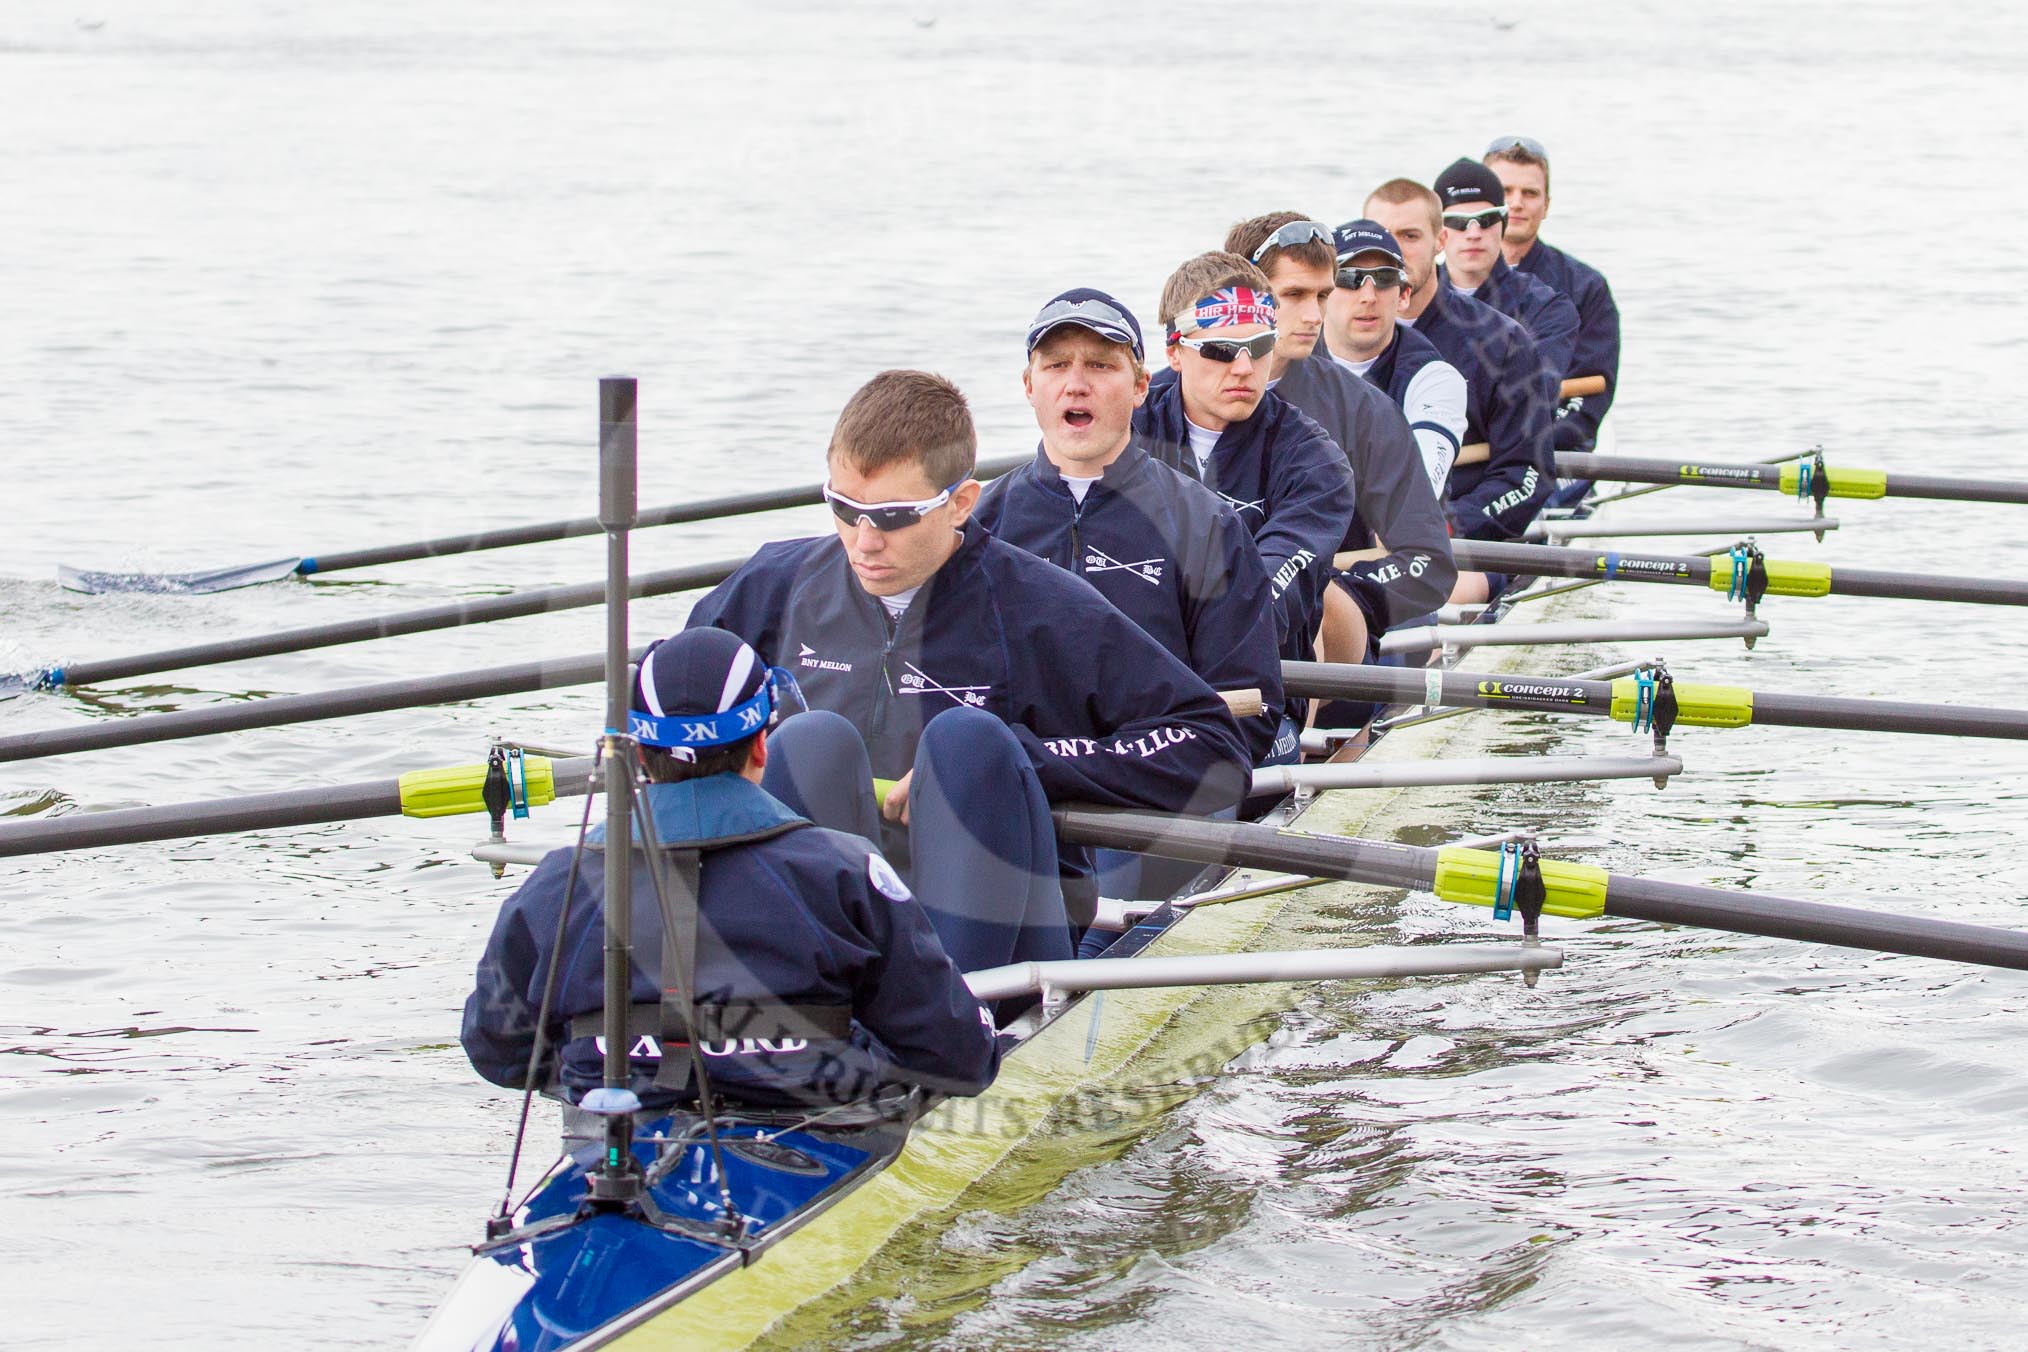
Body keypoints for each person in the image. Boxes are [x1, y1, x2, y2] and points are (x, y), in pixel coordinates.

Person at [684, 369, 1253, 975]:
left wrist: (1027, 760)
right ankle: (809, 999)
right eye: (845, 508)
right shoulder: (775, 584)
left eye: (896, 515)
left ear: (961, 503)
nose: (865, 541)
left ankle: (952, 1020)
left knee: (967, 742)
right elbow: (653, 715)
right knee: (809, 740)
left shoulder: (1043, 607)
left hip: (1003, 927)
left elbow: (1211, 742)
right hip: (835, 912)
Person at [461, 626, 1000, 1111]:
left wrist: (603, 1057)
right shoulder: (846, 871)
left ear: (640, 756)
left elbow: (496, 1049)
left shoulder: (559, 881)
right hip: (810, 1129)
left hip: (620, 1137)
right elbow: (959, 1058)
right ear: (762, 745)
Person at [973, 287, 1282, 764]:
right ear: (1029, 385)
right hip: (1013, 783)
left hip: (1146, 797)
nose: (1076, 384)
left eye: (1100, 365)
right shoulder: (979, 526)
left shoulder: (1207, 525)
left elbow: (1248, 719)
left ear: (1141, 385)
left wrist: (1068, 763)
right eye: (1056, 365)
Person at [1133, 251, 1357, 754]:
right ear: (1174, 350)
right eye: (1218, 350)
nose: (1243, 367)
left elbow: (1267, 598)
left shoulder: (1315, 462)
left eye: (1258, 346)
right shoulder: (1125, 433)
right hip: (1128, 683)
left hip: (1249, 701)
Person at [1220, 215, 1457, 672]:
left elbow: (1428, 565)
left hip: (1323, 626)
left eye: (1322, 295)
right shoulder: (1160, 404)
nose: (1314, 315)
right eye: (1293, 295)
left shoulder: (1363, 411)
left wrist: (1324, 585)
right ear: (1239, 297)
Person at [1365, 179, 1556, 601]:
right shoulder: (1329, 341)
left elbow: (1526, 476)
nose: (1395, 253)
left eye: (1410, 237)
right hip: (1361, 541)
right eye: (1383, 238)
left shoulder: (1503, 342)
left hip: (1462, 544)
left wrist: (1440, 525)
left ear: (1441, 241)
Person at [1485, 134, 1622, 456]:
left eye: (1529, 193)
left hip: (1556, 450)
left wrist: (1521, 445)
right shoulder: (1444, 283)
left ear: (1546, 205)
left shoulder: (1586, 287)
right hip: (1467, 450)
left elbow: (1588, 399)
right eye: (1505, 192)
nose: (1517, 203)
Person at [1322, 218, 1467, 497]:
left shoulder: (1435, 379)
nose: (1368, 296)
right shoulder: (1284, 358)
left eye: (1384, 278)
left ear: (1403, 296)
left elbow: (1418, 489)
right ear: (1322, 294)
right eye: (1349, 278)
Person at [1431, 156, 1581, 384]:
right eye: (1457, 222)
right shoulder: (1409, 301)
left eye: (1486, 219)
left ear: (1503, 223)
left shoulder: (1547, 308)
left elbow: (1536, 396)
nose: (1473, 233)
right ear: (1437, 231)